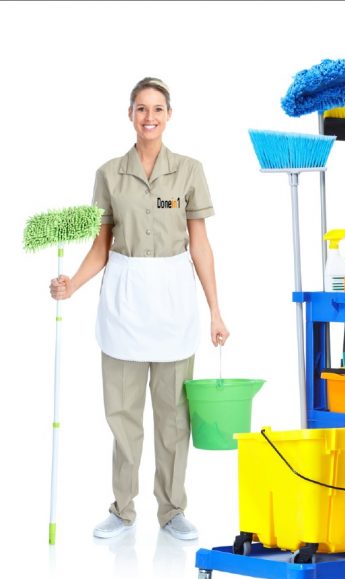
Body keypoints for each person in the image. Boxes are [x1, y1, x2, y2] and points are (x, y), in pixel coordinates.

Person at [49, 77, 230, 541]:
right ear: (130, 114)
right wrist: (72, 285)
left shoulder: (189, 171)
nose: (150, 117)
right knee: (123, 416)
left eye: (158, 109)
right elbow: (101, 246)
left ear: (169, 115)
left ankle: (172, 510)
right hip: (125, 304)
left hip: (173, 304)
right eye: (141, 108)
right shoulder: (109, 174)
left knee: (174, 419)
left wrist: (215, 310)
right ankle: (122, 509)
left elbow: (200, 246)